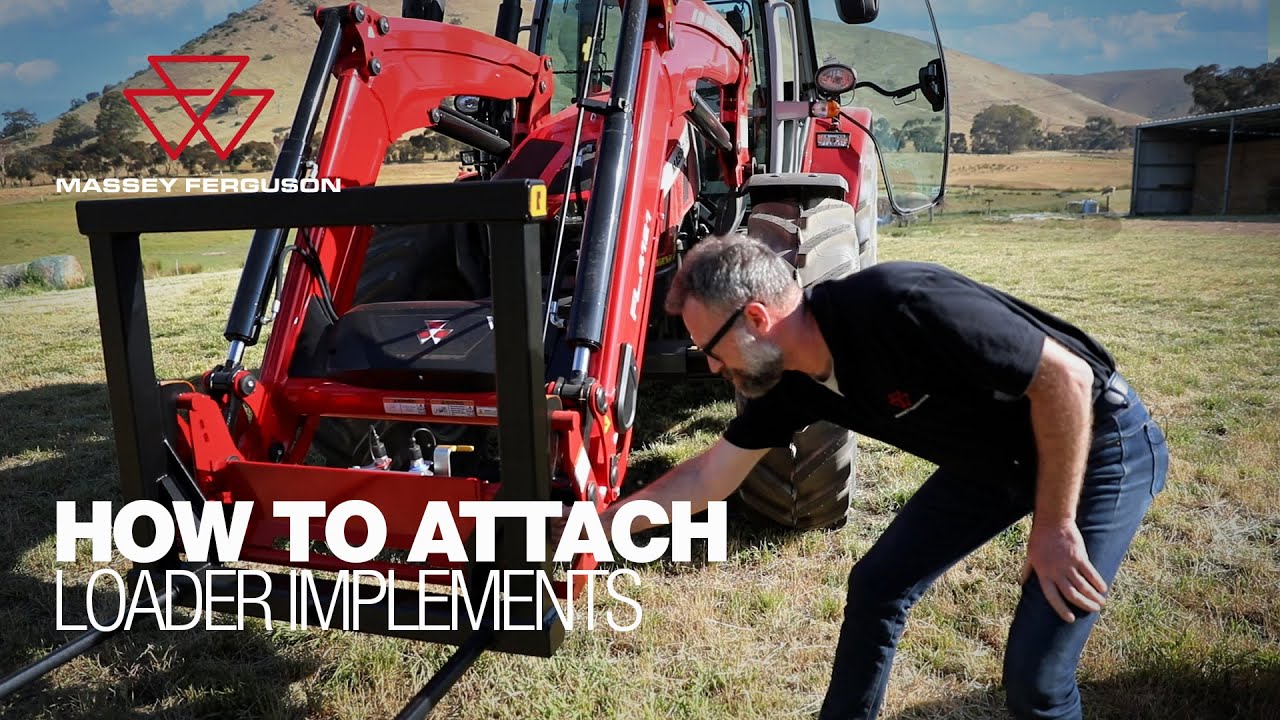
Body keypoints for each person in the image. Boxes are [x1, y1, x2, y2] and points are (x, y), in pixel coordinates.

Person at [592, 234, 1169, 719]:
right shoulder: (789, 378)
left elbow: (1064, 379)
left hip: (1096, 441)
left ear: (757, 319)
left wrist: (1055, 524)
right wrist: (598, 528)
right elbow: (708, 478)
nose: (714, 368)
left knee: (1037, 677)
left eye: (711, 349)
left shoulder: (897, 303)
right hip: (994, 464)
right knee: (876, 588)